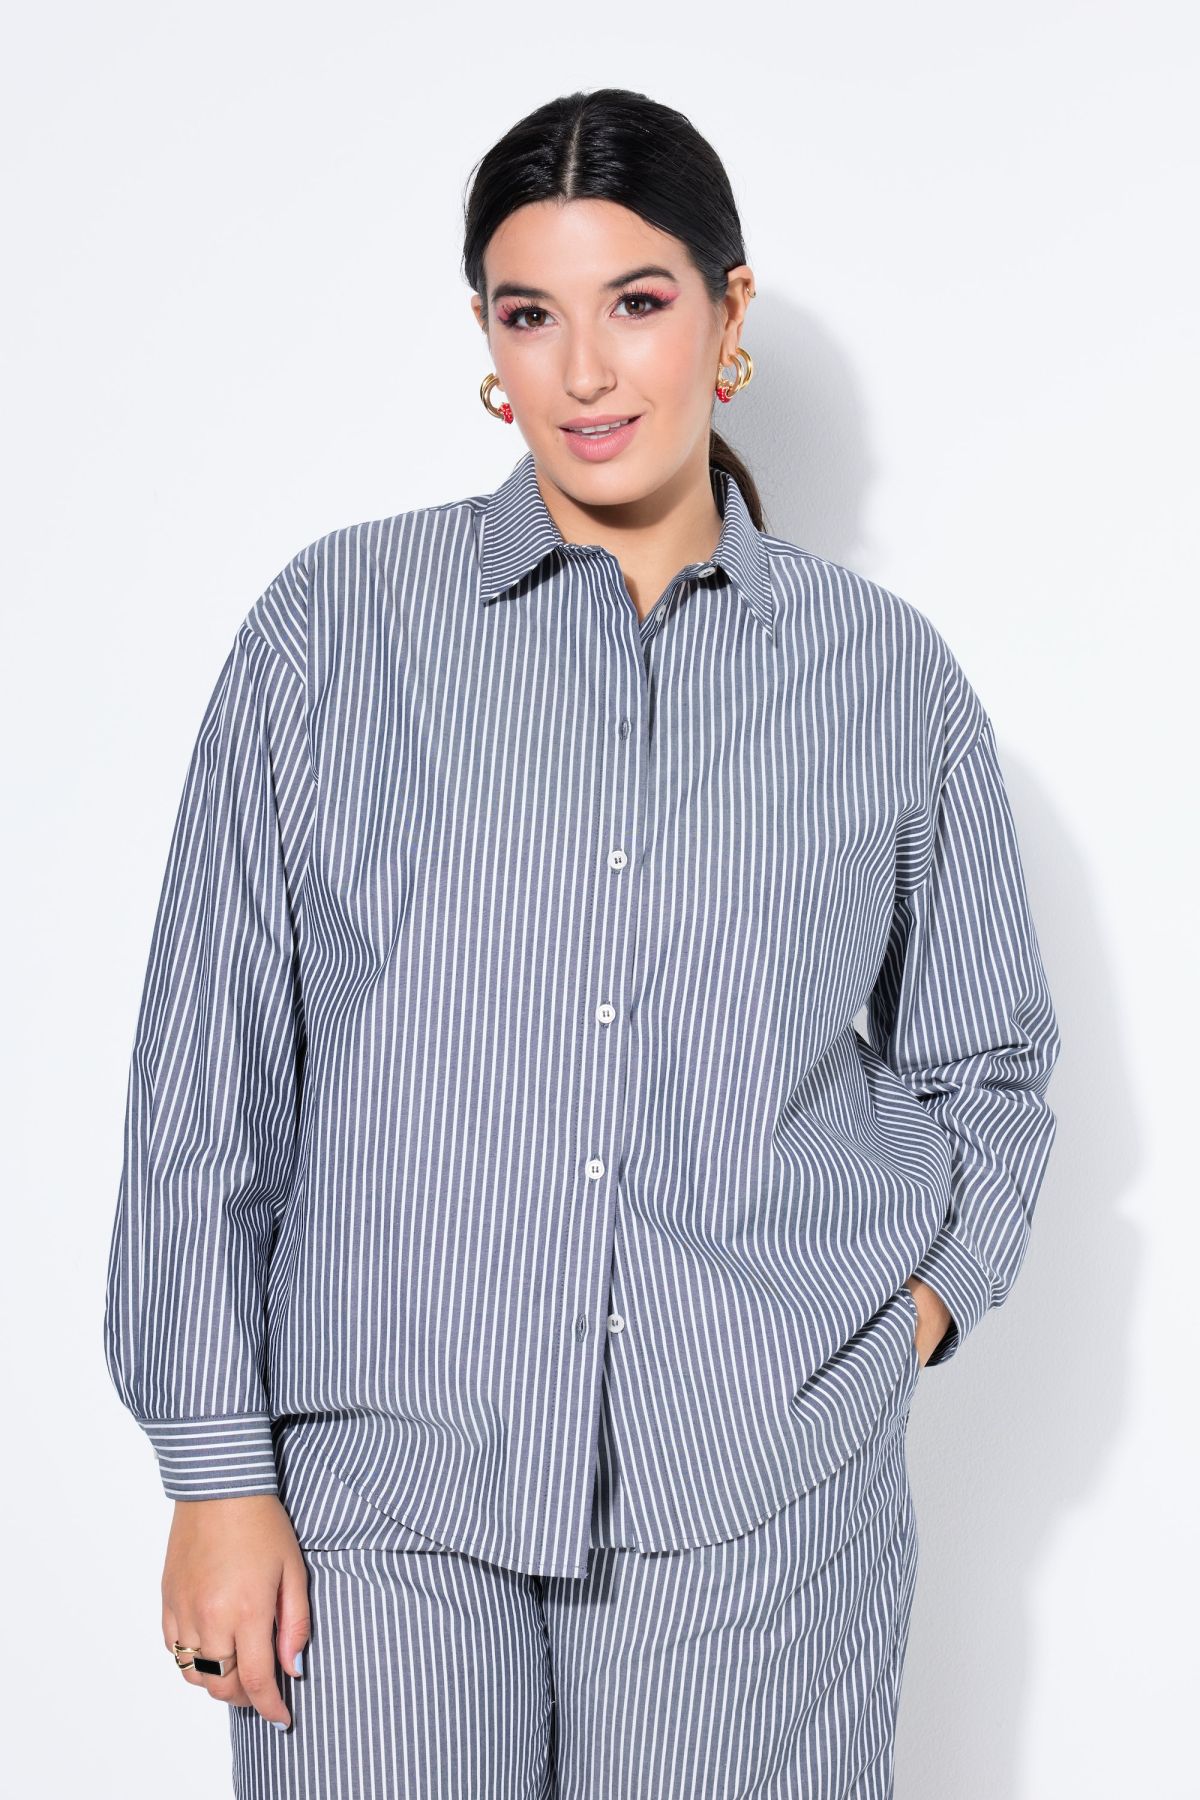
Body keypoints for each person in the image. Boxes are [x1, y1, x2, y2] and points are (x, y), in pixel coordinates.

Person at [102, 86, 1062, 1800]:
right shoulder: (333, 634)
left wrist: (906, 1324)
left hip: (761, 1497)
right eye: (529, 315)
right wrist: (214, 1474)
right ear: (486, 340)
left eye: (637, 301)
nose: (587, 371)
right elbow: (207, 1078)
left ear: (729, 313)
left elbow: (986, 1067)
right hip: (382, 1496)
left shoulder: (883, 680)